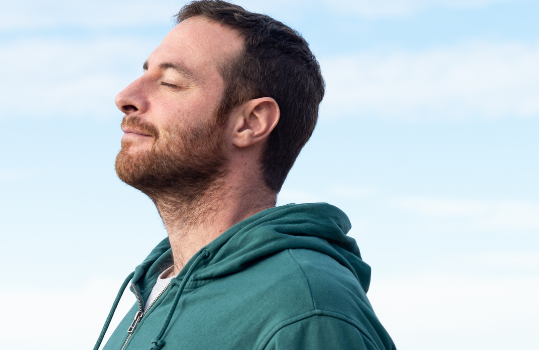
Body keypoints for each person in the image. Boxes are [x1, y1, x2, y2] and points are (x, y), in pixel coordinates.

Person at [92, 1, 396, 349]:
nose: (125, 96)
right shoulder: (152, 294)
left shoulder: (306, 308)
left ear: (251, 122)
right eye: (144, 74)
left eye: (171, 82)